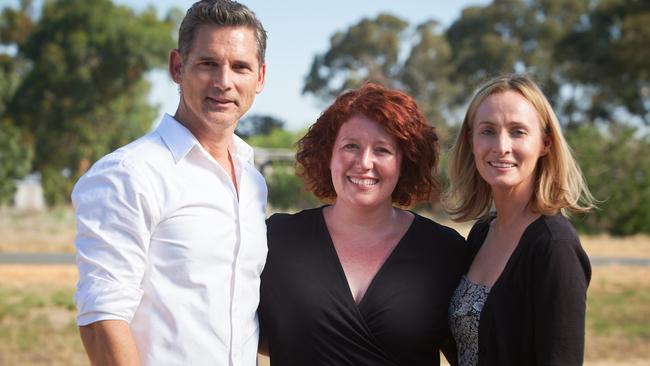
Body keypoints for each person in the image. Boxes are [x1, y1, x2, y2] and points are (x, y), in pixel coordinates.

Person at [72, 1, 268, 365]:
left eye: (240, 67)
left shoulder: (253, 181)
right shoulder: (128, 174)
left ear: (259, 78)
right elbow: (102, 320)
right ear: (178, 67)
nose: (224, 82)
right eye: (208, 63)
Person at [259, 82, 467, 366]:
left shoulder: (443, 251)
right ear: (328, 155)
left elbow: (471, 352)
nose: (364, 163)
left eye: (382, 150)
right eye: (351, 146)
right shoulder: (278, 239)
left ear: (404, 162)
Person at [444, 74, 595, 366]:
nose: (501, 146)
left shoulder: (554, 247)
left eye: (517, 132)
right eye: (487, 131)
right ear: (471, 141)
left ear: (545, 144)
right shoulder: (481, 233)